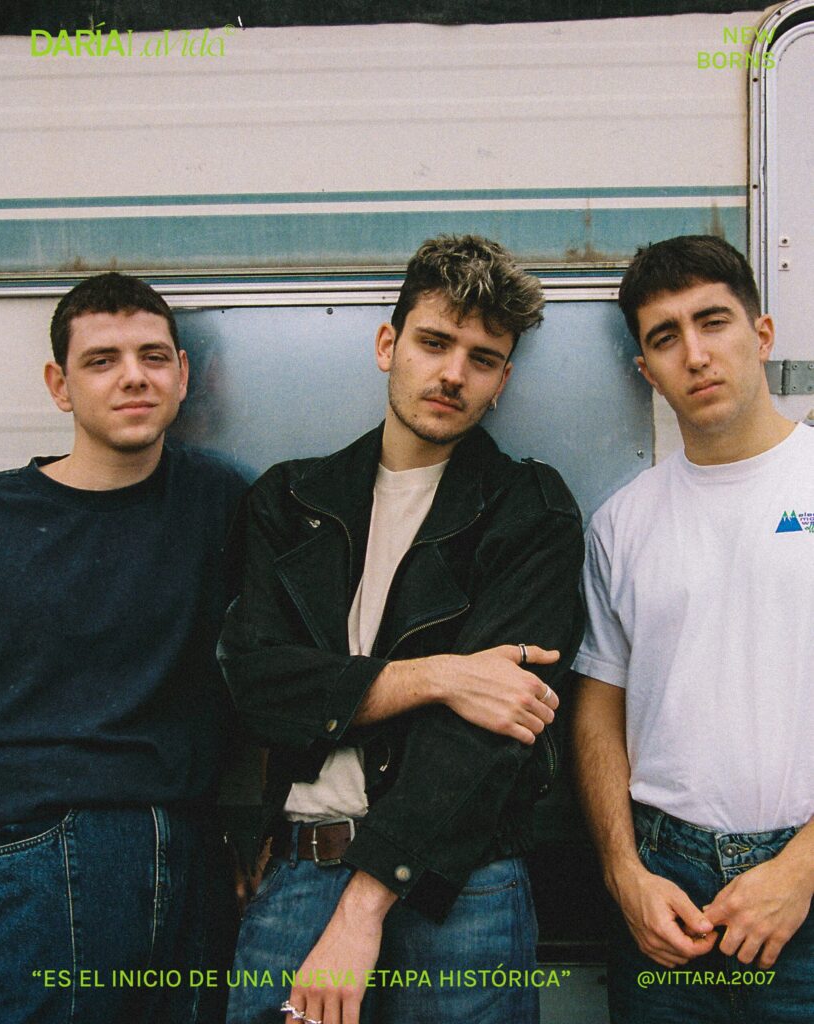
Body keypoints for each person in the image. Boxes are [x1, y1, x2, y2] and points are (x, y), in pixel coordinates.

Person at [218, 234, 585, 1024]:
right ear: (389, 345)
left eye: (482, 359)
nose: (453, 373)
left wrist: (363, 909)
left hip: (463, 889)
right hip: (299, 871)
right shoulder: (290, 501)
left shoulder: (530, 510)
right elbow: (254, 686)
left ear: (502, 382)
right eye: (434, 342)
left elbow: (487, 740)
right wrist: (443, 676)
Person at [572, 235, 814, 1023]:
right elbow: (599, 708)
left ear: (763, 334)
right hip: (663, 890)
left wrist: (802, 868)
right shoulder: (621, 522)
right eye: (665, 337)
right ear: (646, 369)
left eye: (714, 322)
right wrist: (623, 872)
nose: (696, 354)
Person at [0, 273, 247, 1024]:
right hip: (36, 850)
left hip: (193, 851)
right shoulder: (2, 517)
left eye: (153, 356)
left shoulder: (226, 501)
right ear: (59, 385)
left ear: (182, 374)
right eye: (101, 360)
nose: (134, 376)